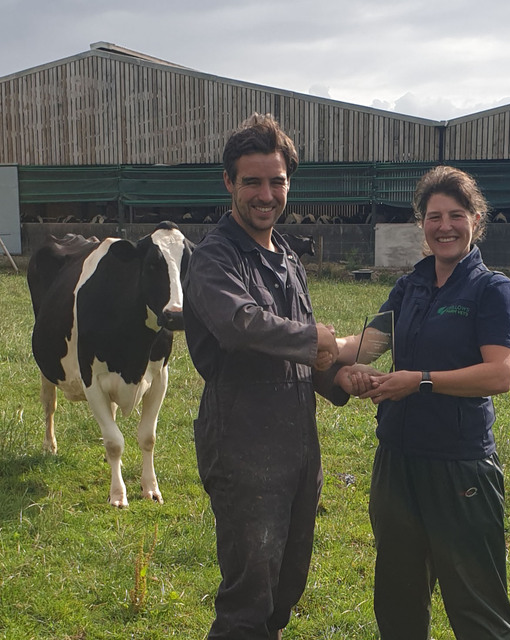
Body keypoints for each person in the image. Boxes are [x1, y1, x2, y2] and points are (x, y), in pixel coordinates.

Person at [337, 165, 510, 639]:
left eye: (456, 215)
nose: (445, 226)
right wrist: (339, 363)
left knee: (477, 605)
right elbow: (364, 346)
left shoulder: (492, 290)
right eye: (434, 216)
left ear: (476, 220)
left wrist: (419, 381)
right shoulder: (410, 287)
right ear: (421, 224)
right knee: (397, 602)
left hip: (458, 466)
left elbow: (499, 374)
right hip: (397, 463)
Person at [183, 112, 353, 639]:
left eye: (276, 181)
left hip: (298, 447)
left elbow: (297, 351)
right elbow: (240, 325)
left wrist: (340, 379)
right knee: (247, 602)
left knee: (283, 591)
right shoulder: (216, 258)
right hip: (243, 446)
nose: (266, 193)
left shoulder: (289, 260)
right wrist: (321, 339)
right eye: (252, 181)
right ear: (229, 183)